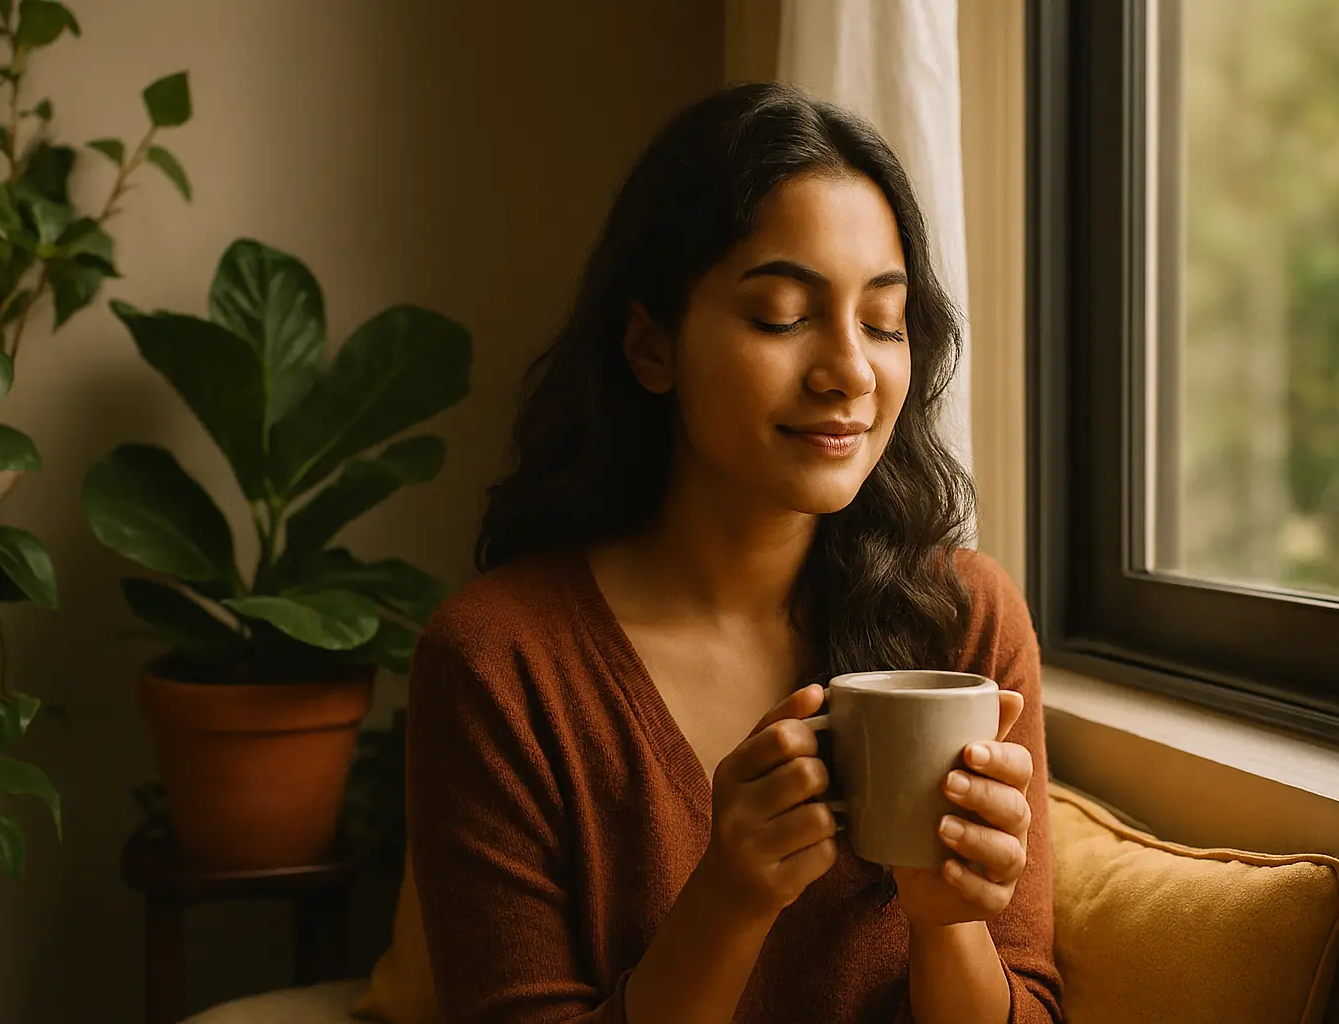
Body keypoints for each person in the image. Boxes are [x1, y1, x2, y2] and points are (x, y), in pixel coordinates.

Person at [407, 81, 1063, 1024]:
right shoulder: (498, 664)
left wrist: (948, 923)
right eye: (783, 316)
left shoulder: (965, 622)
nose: (849, 371)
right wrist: (728, 900)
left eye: (883, 321)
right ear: (651, 347)